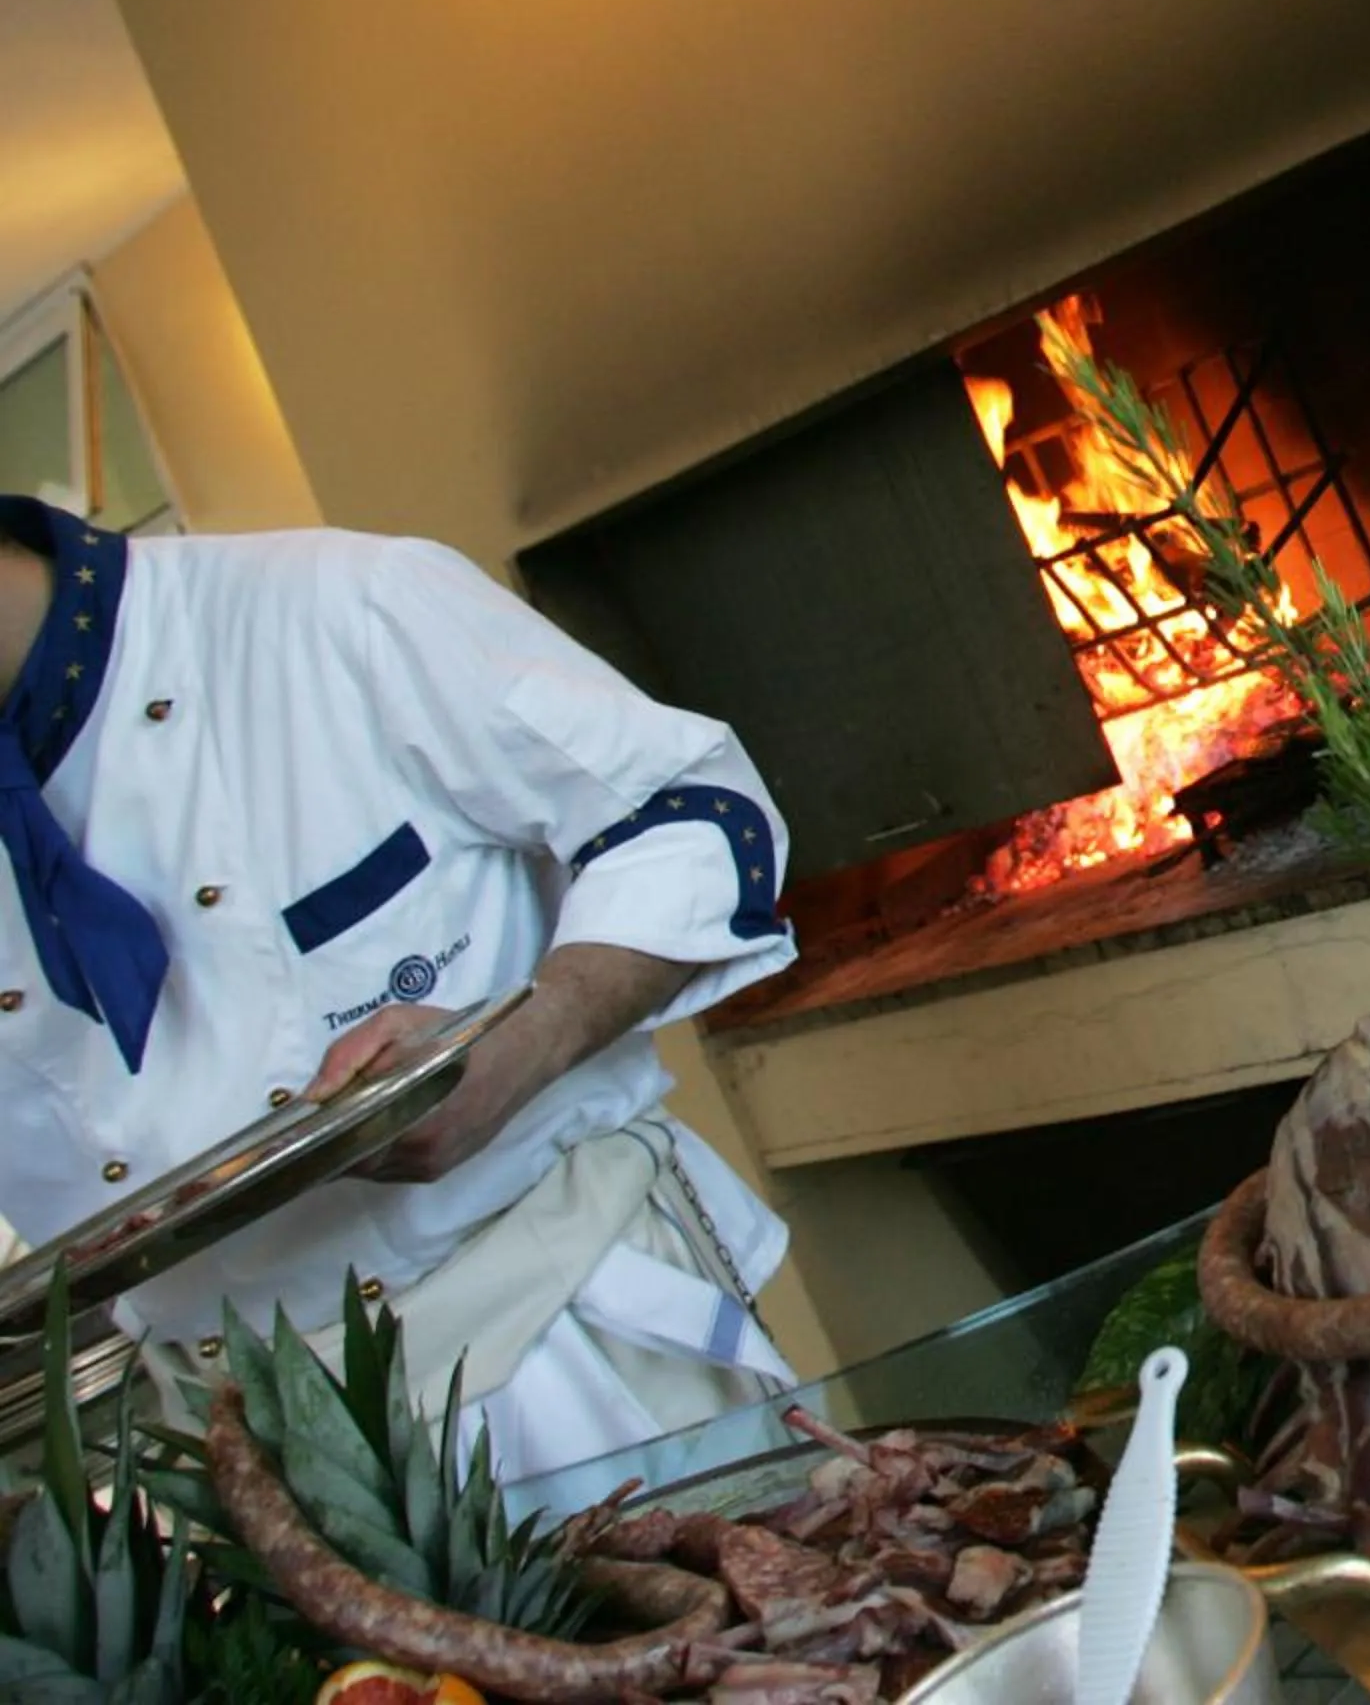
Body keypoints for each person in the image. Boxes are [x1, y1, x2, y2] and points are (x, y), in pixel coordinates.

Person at [0, 497, 803, 1482]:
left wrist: (525, 1040)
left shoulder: (332, 606)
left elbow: (693, 810)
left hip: (573, 1349)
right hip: (263, 1449)